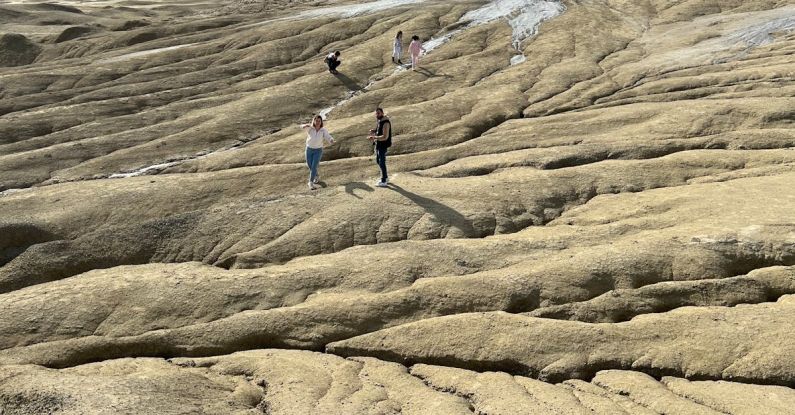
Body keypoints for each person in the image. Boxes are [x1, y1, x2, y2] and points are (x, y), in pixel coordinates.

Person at [300, 114, 335, 190]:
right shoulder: (310, 128)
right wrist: (304, 125)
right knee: (309, 165)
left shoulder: (323, 130)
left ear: (321, 122)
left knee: (313, 167)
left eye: (319, 121)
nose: (318, 122)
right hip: (309, 149)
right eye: (316, 120)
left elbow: (328, 136)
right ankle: (316, 175)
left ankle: (311, 183)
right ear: (314, 121)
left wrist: (331, 140)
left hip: (318, 150)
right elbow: (302, 127)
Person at [368, 107, 391, 187]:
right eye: (376, 113)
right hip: (379, 144)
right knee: (378, 161)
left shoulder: (385, 123)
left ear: (382, 113)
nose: (377, 115)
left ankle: (384, 180)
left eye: (379, 113)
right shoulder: (380, 121)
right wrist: (374, 131)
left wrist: (374, 137)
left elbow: (385, 136)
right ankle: (386, 177)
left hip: (383, 145)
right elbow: (379, 130)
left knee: (381, 162)